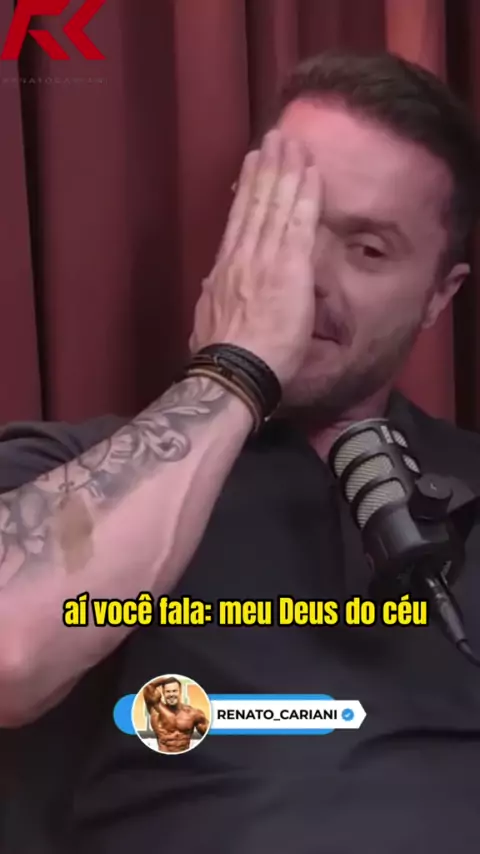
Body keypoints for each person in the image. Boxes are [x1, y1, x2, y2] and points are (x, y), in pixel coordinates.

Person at [0, 50, 480, 854]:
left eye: (367, 249)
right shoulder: (71, 470)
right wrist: (234, 372)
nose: (306, 278)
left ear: (440, 295)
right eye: (286, 223)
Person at [142, 676, 209, 752]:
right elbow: (149, 687)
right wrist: (166, 678)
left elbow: (211, 735)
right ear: (163, 693)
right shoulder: (156, 710)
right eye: (168, 691)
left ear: (180, 691)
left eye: (174, 691)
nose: (171, 694)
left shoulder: (193, 714)